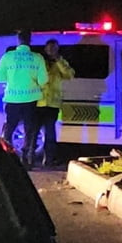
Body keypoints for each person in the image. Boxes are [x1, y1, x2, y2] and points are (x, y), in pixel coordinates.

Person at [0, 29, 48, 168]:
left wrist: (12, 78)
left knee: (10, 128)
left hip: (12, 99)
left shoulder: (8, 56)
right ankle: (26, 158)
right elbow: (43, 80)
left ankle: (7, 157)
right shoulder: (38, 58)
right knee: (30, 129)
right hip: (30, 100)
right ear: (30, 40)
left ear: (18, 40)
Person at [36, 39, 75, 167]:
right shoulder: (39, 61)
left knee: (50, 133)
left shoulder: (60, 62)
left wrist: (58, 60)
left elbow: (70, 75)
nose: (51, 51)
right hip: (38, 102)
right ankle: (29, 158)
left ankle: (48, 160)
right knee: (33, 132)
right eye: (49, 48)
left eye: (54, 48)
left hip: (52, 104)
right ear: (45, 49)